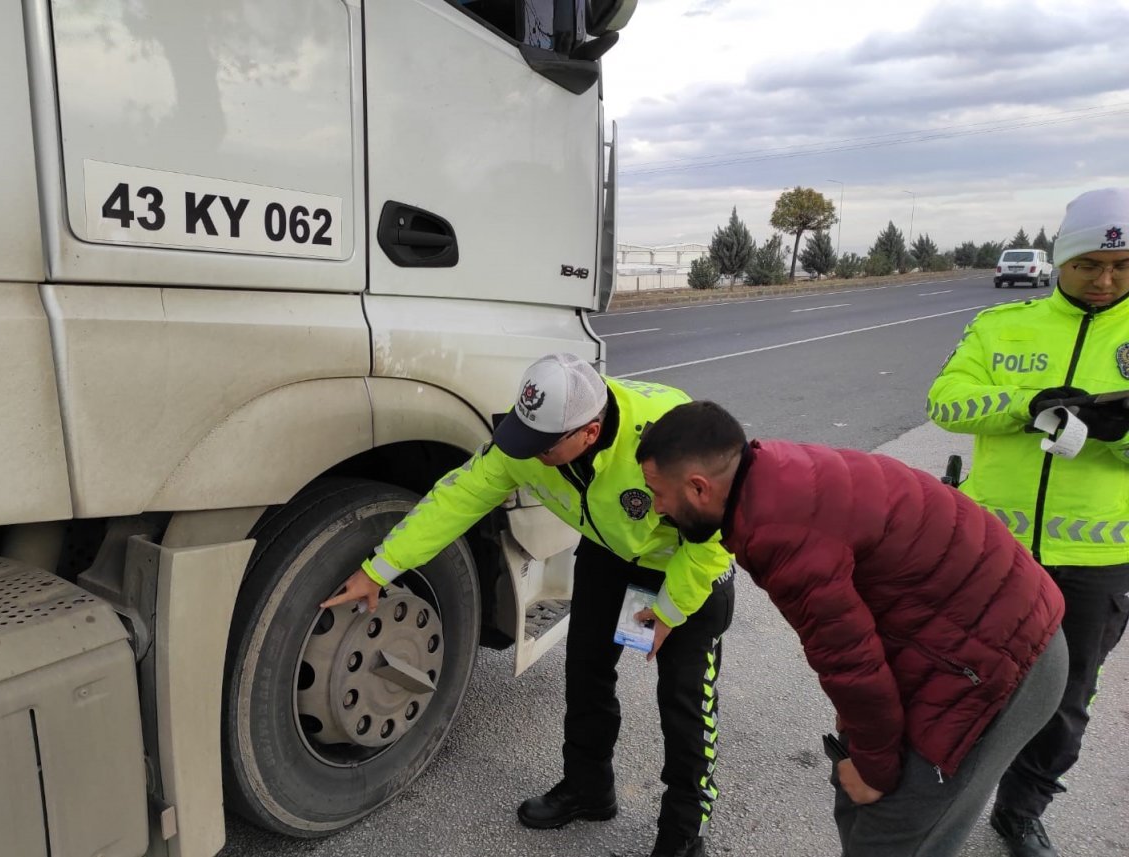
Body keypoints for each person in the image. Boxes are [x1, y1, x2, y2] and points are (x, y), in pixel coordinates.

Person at [322, 353, 735, 857]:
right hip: (609, 555)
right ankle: (588, 789)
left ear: (589, 432)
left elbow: (717, 533)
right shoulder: (528, 442)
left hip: (685, 564)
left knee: (685, 702)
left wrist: (669, 611)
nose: (527, 454)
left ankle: (683, 835)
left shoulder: (669, 431)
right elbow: (458, 498)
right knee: (586, 677)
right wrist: (378, 569)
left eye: (543, 446)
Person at [635, 400, 1067, 857]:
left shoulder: (779, 532)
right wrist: (863, 750)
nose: (658, 509)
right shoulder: (767, 472)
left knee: (891, 834)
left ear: (700, 487)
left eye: (660, 494)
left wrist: (876, 769)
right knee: (855, 790)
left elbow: (850, 664)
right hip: (960, 629)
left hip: (1001, 662)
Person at [927, 186, 1129, 857]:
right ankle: (936, 801)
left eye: (1123, 265)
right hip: (995, 551)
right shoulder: (1001, 325)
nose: (1105, 279)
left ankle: (1021, 808)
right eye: (1090, 264)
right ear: (1060, 261)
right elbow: (947, 402)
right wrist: (1027, 403)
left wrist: (1118, 430)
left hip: (1100, 561)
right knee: (964, 680)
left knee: (1065, 701)